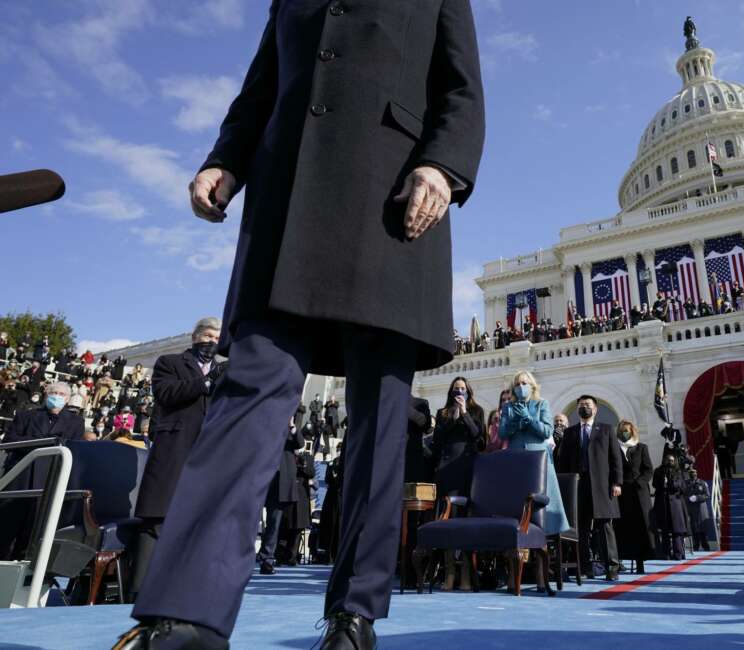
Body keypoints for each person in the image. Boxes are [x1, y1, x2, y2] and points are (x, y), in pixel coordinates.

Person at [116, 2, 485, 648]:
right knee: (246, 398)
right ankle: (187, 616)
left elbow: (462, 88)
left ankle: (355, 614)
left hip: (391, 203)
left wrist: (441, 165)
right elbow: (261, 87)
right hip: (285, 206)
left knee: (377, 420)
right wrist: (224, 159)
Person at [129, 318, 226, 598]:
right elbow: (166, 393)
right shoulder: (169, 362)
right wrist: (207, 381)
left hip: (210, 451)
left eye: (217, 337)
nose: (211, 341)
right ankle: (140, 592)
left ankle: (184, 591)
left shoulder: (224, 371)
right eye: (207, 335)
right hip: (175, 446)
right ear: (195, 337)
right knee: (158, 517)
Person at [498, 371, 569, 593]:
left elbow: (546, 431)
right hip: (516, 464)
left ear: (532, 385)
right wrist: (516, 422)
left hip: (538, 465)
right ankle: (513, 575)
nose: (521, 386)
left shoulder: (542, 404)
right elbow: (502, 433)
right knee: (516, 517)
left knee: (540, 517)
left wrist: (528, 420)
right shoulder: (509, 407)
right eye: (517, 383)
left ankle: (541, 574)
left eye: (524, 383)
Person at [0, 381, 85, 560]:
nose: (57, 397)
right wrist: (41, 444)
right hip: (20, 479)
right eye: (54, 392)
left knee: (34, 533)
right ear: (46, 394)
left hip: (49, 480)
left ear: (68, 399)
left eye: (62, 394)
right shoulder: (26, 416)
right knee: (6, 528)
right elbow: (9, 440)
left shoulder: (76, 422)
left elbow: (76, 449)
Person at [555, 395, 622, 580]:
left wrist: (617, 482)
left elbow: (615, 458)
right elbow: (563, 461)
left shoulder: (607, 429)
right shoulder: (570, 432)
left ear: (595, 409)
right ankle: (584, 567)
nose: (584, 407)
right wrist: (563, 485)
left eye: (588, 404)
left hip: (602, 486)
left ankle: (612, 567)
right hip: (578, 486)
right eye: (581, 405)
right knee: (580, 529)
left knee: (604, 527)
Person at [430, 377, 485, 592]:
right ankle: (449, 572)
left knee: (466, 522)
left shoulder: (477, 410)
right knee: (448, 522)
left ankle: (466, 575)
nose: (459, 392)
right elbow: (437, 441)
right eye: (456, 389)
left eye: (463, 389)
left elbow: (478, 438)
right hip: (447, 471)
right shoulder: (443, 413)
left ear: (469, 392)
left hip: (468, 471)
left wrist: (464, 415)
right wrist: (453, 418)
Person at [257, 420, 305, 575]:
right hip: (259, 477)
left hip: (279, 483)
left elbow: (300, 443)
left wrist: (292, 427)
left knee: (273, 522)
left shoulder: (290, 431)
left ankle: (267, 559)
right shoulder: (264, 424)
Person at [614, 420, 654, 573]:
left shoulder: (641, 448)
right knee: (624, 527)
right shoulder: (616, 448)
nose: (624, 433)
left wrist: (640, 482)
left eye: (627, 431)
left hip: (639, 493)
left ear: (632, 432)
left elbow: (648, 469)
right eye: (622, 430)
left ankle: (640, 562)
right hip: (622, 494)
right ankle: (621, 559)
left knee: (641, 527)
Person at [652, 454, 689, 560]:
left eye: (672, 460)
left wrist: (670, 483)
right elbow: (654, 484)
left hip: (675, 505)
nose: (670, 462)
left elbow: (682, 487)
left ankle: (678, 553)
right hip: (662, 503)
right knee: (664, 530)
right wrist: (662, 483)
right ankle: (666, 553)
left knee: (676, 531)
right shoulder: (658, 471)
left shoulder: (678, 471)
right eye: (668, 460)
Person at [685, 468, 712, 552]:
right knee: (694, 530)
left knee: (703, 531)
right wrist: (688, 498)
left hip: (701, 510)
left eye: (694, 472)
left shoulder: (702, 483)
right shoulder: (686, 483)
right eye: (691, 473)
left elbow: (707, 495)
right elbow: (683, 495)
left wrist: (697, 498)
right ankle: (695, 548)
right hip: (691, 510)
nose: (693, 474)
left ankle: (706, 548)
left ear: (697, 473)